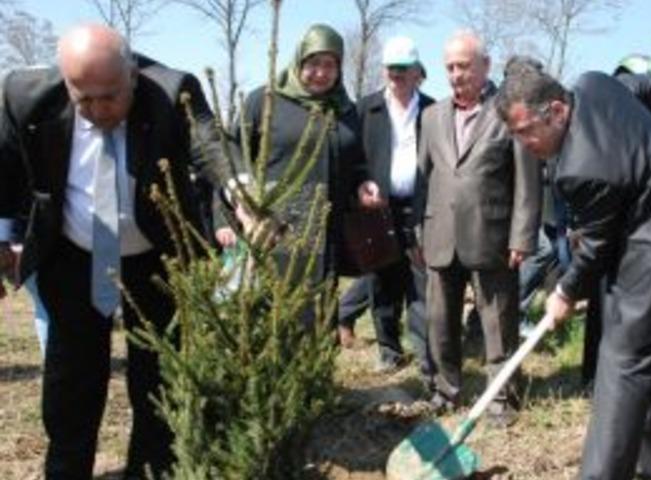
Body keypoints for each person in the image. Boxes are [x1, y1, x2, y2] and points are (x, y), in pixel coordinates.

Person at [0, 24, 242, 479]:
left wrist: (242, 191)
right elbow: (4, 164)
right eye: (83, 98)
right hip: (71, 254)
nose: (96, 110)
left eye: (109, 96)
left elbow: (209, 143)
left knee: (157, 379)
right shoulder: (24, 94)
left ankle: (150, 470)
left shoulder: (171, 90)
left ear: (132, 73)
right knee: (70, 382)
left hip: (156, 257)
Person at [496, 58, 651, 479]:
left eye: (525, 132)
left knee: (622, 358)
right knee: (636, 351)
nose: (523, 144)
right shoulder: (594, 84)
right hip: (649, 230)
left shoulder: (579, 169)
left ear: (556, 111)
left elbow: (595, 247)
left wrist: (564, 292)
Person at [414, 31, 541, 427]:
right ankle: (445, 390)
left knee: (497, 321)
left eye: (464, 66)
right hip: (439, 236)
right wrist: (418, 232)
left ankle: (501, 396)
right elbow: (423, 180)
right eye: (450, 67)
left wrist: (522, 236)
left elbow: (527, 181)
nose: (456, 74)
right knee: (440, 321)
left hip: (493, 237)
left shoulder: (507, 112)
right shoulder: (431, 116)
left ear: (485, 66)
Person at [238, 24, 382, 313]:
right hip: (275, 229)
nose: (321, 73)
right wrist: (239, 209)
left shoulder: (345, 109)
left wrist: (364, 182)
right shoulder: (265, 100)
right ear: (299, 61)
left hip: (327, 233)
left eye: (330, 65)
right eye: (314, 63)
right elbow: (234, 156)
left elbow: (356, 163)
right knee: (276, 314)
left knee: (317, 317)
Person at [346, 35, 436, 377]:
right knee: (381, 283)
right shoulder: (365, 109)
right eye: (391, 70)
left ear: (417, 72)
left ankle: (426, 355)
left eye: (403, 70)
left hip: (416, 209)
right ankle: (388, 349)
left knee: (419, 284)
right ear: (384, 71)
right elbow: (353, 159)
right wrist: (360, 185)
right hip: (376, 210)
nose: (396, 77)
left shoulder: (431, 110)